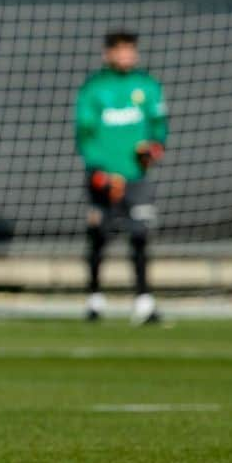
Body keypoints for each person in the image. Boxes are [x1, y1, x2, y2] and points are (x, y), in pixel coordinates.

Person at [75, 29, 168, 324]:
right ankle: (95, 300)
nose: (128, 56)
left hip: (135, 178)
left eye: (131, 50)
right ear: (108, 53)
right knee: (99, 236)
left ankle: (143, 301)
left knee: (140, 235)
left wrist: (153, 148)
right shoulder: (94, 89)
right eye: (121, 50)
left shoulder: (146, 86)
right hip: (103, 176)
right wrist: (98, 171)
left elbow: (158, 126)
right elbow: (85, 134)